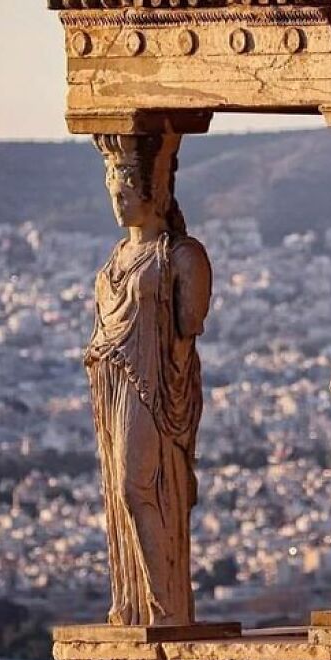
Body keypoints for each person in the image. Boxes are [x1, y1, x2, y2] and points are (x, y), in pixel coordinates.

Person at [85, 134, 211, 626]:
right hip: (113, 382)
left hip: (155, 386)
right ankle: (137, 602)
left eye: (124, 193)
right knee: (121, 491)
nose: (116, 204)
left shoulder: (181, 256)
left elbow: (189, 324)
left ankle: (166, 604)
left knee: (137, 486)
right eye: (112, 193)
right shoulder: (115, 261)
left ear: (152, 194)